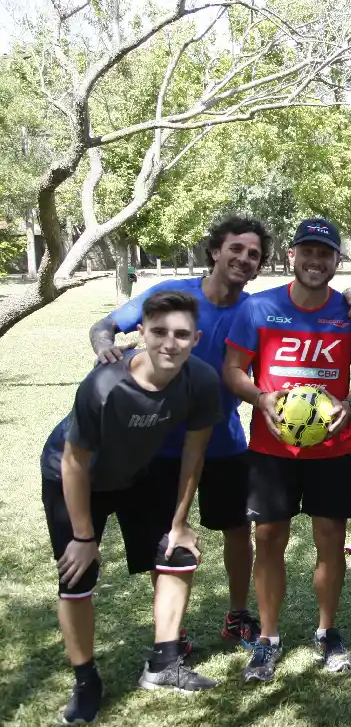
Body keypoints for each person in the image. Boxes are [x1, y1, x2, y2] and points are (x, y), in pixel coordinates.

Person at [88, 216, 269, 647]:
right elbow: (104, 326)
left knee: (237, 530)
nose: (244, 259)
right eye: (236, 249)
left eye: (253, 254)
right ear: (215, 251)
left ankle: (239, 615)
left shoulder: (257, 312)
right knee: (166, 535)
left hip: (223, 441)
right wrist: (104, 347)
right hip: (161, 445)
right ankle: (174, 632)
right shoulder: (172, 296)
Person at [43, 290, 222, 722]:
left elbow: (193, 455)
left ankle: (164, 663)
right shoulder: (105, 384)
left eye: (181, 334)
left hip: (134, 473)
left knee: (176, 553)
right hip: (72, 477)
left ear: (196, 338)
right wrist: (84, 537)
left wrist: (179, 523)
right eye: (158, 332)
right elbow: (73, 462)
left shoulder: (201, 380)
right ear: (140, 333)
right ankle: (86, 681)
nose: (169, 343)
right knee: (77, 573)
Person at [224, 218, 351, 682]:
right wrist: (260, 398)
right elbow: (233, 369)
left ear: (335, 261)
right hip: (272, 451)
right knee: (268, 539)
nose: (316, 261)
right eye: (307, 252)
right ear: (292, 255)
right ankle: (268, 638)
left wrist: (349, 404)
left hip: (331, 448)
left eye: (325, 253)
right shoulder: (259, 308)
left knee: (330, 541)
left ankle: (327, 631)